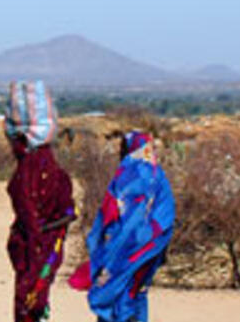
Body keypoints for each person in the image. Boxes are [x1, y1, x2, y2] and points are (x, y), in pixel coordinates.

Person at [69, 132, 175, 322]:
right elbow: (165, 218)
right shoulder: (159, 177)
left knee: (116, 293)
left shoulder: (128, 175)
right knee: (137, 292)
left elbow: (114, 216)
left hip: (124, 247)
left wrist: (106, 247)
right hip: (149, 250)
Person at [4, 81, 76, 322]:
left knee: (28, 300)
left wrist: (37, 231)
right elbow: (69, 211)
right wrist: (54, 229)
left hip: (31, 246)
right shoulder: (57, 171)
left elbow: (27, 209)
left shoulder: (26, 172)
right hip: (47, 246)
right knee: (39, 296)